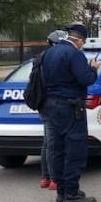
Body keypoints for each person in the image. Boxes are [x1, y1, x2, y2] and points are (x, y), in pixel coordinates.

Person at [41, 23, 100, 202]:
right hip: (70, 107)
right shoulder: (75, 54)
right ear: (80, 40)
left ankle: (62, 192)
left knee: (56, 149)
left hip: (50, 106)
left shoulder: (49, 53)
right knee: (75, 150)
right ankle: (72, 195)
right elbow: (86, 79)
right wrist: (93, 68)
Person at [38, 29, 67, 191]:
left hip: (43, 104)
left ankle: (45, 177)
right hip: (53, 104)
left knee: (48, 142)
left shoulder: (40, 59)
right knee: (54, 143)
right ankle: (54, 179)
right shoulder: (54, 60)